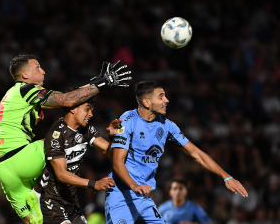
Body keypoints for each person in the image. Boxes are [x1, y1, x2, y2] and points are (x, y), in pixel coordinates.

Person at [0, 54, 132, 224]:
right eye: (37, 67)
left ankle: (39, 197)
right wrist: (103, 83)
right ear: (25, 75)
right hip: (20, 156)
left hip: (1, 167)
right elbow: (67, 101)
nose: (43, 71)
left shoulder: (13, 95)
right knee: (60, 140)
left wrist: (95, 82)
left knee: (33, 221)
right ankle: (41, 193)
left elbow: (71, 98)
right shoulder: (25, 89)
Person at [104, 81, 248, 224]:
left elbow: (196, 153)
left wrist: (226, 177)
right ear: (147, 102)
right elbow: (118, 162)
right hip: (121, 194)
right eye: (161, 97)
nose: (166, 100)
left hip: (143, 196)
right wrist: (134, 185)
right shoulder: (128, 120)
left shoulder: (167, 126)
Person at [34, 96, 118, 224]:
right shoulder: (56, 136)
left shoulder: (87, 130)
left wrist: (112, 138)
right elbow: (61, 174)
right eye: (87, 109)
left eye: (92, 110)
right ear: (73, 108)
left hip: (71, 199)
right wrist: (93, 184)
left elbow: (110, 152)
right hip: (50, 198)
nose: (91, 114)